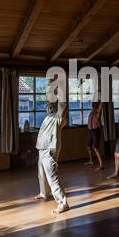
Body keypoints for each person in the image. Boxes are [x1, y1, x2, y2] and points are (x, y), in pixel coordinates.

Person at [34, 78, 69, 214]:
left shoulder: (59, 117)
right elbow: (49, 99)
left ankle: (63, 203)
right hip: (41, 148)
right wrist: (51, 86)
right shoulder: (48, 116)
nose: (48, 106)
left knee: (52, 176)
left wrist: (59, 86)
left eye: (51, 105)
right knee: (41, 175)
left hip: (49, 149)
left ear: (55, 107)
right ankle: (44, 193)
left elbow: (63, 103)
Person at [85, 102, 104, 171]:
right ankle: (91, 161)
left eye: (94, 103)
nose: (92, 104)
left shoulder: (98, 112)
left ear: (97, 105)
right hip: (90, 131)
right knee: (88, 146)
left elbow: (101, 105)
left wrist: (101, 94)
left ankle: (101, 165)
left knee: (95, 148)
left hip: (96, 131)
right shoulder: (91, 112)